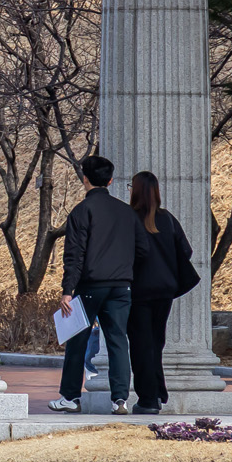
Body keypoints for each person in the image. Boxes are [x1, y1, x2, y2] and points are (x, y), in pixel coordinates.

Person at [50, 154, 144, 414]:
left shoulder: (82, 211)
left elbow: (74, 255)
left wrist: (67, 291)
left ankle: (70, 397)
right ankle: (120, 399)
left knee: (77, 340)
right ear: (111, 180)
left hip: (90, 286)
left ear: (85, 178)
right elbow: (142, 249)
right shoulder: (127, 212)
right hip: (122, 286)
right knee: (117, 340)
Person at [127, 169, 198, 416]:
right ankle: (157, 393)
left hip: (138, 292)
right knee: (156, 342)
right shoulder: (167, 219)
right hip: (165, 291)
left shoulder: (130, 219)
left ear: (135, 191)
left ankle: (147, 398)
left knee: (140, 344)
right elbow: (186, 252)